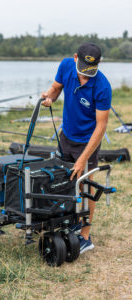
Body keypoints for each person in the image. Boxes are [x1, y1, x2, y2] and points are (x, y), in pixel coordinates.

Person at [41, 42, 112, 254]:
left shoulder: (102, 86)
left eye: (91, 71)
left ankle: (85, 237)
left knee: (87, 187)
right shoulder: (65, 66)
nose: (86, 75)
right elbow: (55, 88)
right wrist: (49, 98)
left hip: (87, 142)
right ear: (75, 58)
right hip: (66, 136)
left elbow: (101, 127)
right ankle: (70, 222)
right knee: (64, 182)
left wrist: (83, 159)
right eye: (83, 70)